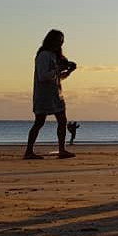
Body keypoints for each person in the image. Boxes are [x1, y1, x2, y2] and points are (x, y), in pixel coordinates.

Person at [25, 29, 77, 160]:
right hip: (44, 95)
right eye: (58, 40)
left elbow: (58, 77)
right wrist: (58, 69)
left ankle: (61, 149)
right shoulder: (44, 55)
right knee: (39, 122)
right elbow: (43, 76)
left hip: (56, 94)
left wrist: (69, 71)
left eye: (62, 41)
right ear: (51, 40)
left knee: (62, 120)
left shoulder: (54, 56)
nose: (60, 43)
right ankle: (29, 151)